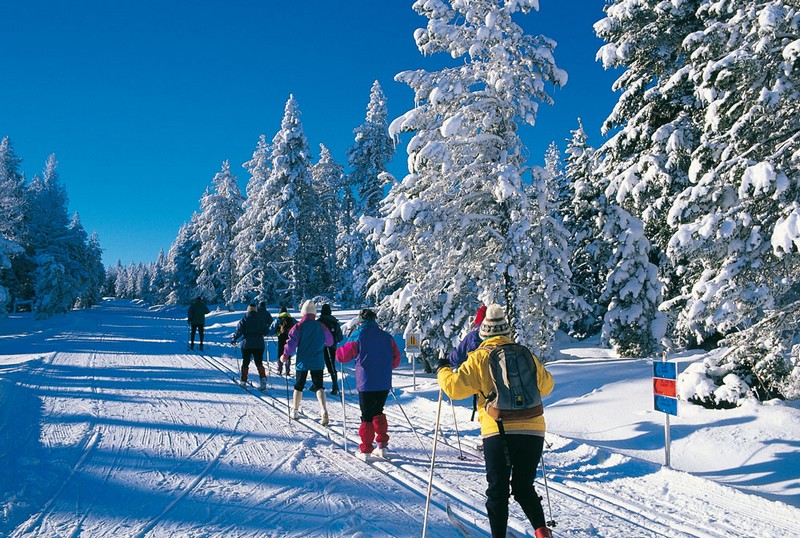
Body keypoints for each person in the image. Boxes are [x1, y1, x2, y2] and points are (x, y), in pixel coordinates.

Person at [436, 304, 555, 538]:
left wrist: (443, 370)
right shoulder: (526, 354)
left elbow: (453, 388)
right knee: (523, 487)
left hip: (497, 429)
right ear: (506, 332)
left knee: (498, 490)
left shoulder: (480, 356)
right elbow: (547, 386)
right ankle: (542, 533)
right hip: (533, 428)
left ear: (484, 334)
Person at [336, 309, 401, 459]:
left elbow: (343, 356)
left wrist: (338, 351)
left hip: (366, 381)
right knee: (378, 411)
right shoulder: (386, 336)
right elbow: (396, 359)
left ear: (361, 320)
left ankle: (366, 449)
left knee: (366, 415)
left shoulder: (358, 334)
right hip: (383, 382)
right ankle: (382, 446)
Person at [282, 300, 334, 425]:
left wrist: (285, 355)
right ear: (314, 313)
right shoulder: (321, 326)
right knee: (319, 386)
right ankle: (323, 410)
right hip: (318, 361)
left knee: (298, 386)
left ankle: (295, 410)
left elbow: (291, 344)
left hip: (302, 361)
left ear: (303, 313)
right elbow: (330, 342)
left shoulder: (298, 326)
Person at [231, 303, 269, 390]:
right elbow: (266, 331)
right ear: (256, 310)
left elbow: (239, 331)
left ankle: (243, 381)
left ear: (248, 309)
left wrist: (234, 338)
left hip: (247, 344)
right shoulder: (261, 319)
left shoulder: (244, 319)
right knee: (259, 363)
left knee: (246, 362)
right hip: (259, 344)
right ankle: (263, 379)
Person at [318, 303, 344, 396]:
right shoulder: (334, 321)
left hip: (320, 346)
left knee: (319, 365)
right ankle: (335, 385)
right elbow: (340, 337)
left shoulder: (319, 321)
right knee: (331, 365)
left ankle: (318, 384)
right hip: (332, 346)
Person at [274, 306, 297, 376]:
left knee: (280, 352)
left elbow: (272, 328)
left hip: (281, 337)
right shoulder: (291, 319)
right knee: (288, 351)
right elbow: (297, 325)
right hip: (289, 336)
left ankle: (279, 369)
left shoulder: (278, 319)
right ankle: (287, 369)